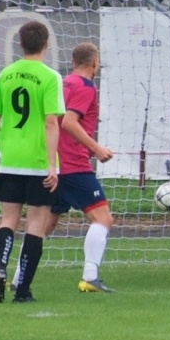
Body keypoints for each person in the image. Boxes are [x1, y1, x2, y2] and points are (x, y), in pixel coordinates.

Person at [0, 21, 64, 305]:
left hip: (11, 161)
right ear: (46, 44)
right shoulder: (50, 77)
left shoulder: (6, 75)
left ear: (20, 44)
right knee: (35, 224)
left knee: (7, 220)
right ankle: (22, 289)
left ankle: (1, 267)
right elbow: (51, 122)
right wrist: (52, 165)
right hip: (38, 163)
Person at [47, 42, 115, 293]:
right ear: (94, 63)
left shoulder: (62, 84)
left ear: (73, 62)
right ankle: (90, 277)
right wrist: (96, 148)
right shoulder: (85, 86)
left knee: (42, 225)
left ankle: (18, 278)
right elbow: (69, 122)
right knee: (103, 218)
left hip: (53, 163)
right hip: (73, 164)